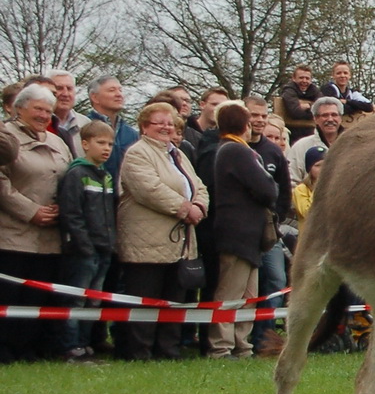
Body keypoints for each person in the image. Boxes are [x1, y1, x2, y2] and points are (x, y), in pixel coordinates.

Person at [115, 101, 208, 361]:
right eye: (160, 123)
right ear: (144, 126)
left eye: (170, 123)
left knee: (173, 298)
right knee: (146, 298)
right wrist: (185, 209)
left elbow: (199, 186)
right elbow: (149, 190)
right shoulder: (137, 153)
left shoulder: (178, 154)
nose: (166, 128)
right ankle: (140, 351)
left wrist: (200, 206)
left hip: (178, 243)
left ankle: (168, 350)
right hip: (146, 243)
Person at [0, 83, 73, 363]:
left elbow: (69, 178)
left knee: (38, 297)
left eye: (48, 110)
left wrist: (63, 207)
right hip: (13, 235)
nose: (44, 115)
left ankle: (31, 349)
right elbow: (2, 183)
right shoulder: (7, 138)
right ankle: (5, 350)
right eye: (38, 109)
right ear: (19, 108)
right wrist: (31, 211)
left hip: (50, 238)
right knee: (11, 296)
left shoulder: (58, 141)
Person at [206, 101, 278, 359]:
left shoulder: (236, 150)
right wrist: (269, 185)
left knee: (248, 294)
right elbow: (267, 189)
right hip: (237, 232)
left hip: (250, 235)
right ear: (244, 125)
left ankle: (242, 344)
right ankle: (221, 346)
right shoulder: (236, 151)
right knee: (230, 292)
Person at [56, 120, 118, 360]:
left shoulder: (106, 176)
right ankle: (70, 345)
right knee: (76, 299)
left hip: (104, 247)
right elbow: (72, 214)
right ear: (85, 144)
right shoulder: (77, 174)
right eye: (100, 143)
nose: (106, 148)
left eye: (110, 144)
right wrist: (84, 245)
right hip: (83, 250)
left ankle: (85, 342)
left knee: (93, 300)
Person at [85, 75, 138, 181]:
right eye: (111, 90)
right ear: (94, 97)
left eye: (120, 90)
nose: (119, 94)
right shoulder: (85, 127)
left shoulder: (131, 133)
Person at [289, 97, 344, 186]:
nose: (330, 119)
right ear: (315, 119)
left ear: (340, 118)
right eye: (325, 115)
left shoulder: (352, 146)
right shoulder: (300, 147)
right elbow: (291, 181)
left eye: (334, 115)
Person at [278, 64, 320, 141]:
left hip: (310, 132)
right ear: (294, 78)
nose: (304, 81)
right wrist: (313, 112)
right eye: (301, 78)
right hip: (292, 133)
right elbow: (295, 112)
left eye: (307, 78)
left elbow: (322, 106)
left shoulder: (314, 90)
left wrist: (309, 105)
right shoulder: (289, 90)